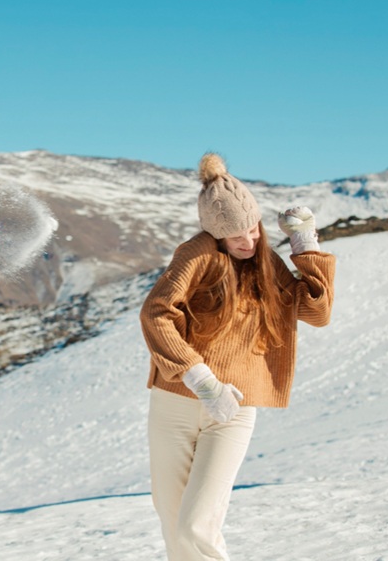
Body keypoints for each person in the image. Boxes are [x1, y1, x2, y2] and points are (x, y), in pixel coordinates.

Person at [140, 153, 335, 560]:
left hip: (233, 409)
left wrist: (305, 245)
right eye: (236, 236)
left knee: (197, 525)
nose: (248, 241)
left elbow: (317, 312)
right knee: (174, 523)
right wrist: (201, 379)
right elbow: (156, 312)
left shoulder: (266, 262)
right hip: (175, 402)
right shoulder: (197, 255)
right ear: (215, 234)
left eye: (253, 229)